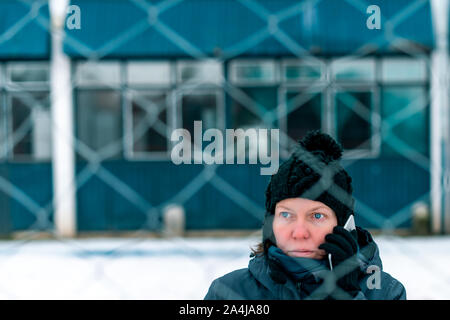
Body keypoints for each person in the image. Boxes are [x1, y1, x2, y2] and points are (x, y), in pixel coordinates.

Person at [204, 130, 406, 300]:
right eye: (286, 215)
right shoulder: (227, 292)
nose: (299, 233)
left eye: (316, 216)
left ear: (346, 226)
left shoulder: (385, 292)